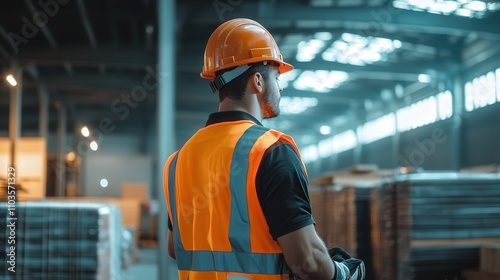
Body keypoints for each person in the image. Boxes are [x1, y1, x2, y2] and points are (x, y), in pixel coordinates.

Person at [163, 18, 365, 280]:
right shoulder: (271, 150)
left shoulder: (178, 160)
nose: (280, 87)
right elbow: (307, 260)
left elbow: (174, 248)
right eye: (277, 77)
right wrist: (341, 273)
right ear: (257, 81)